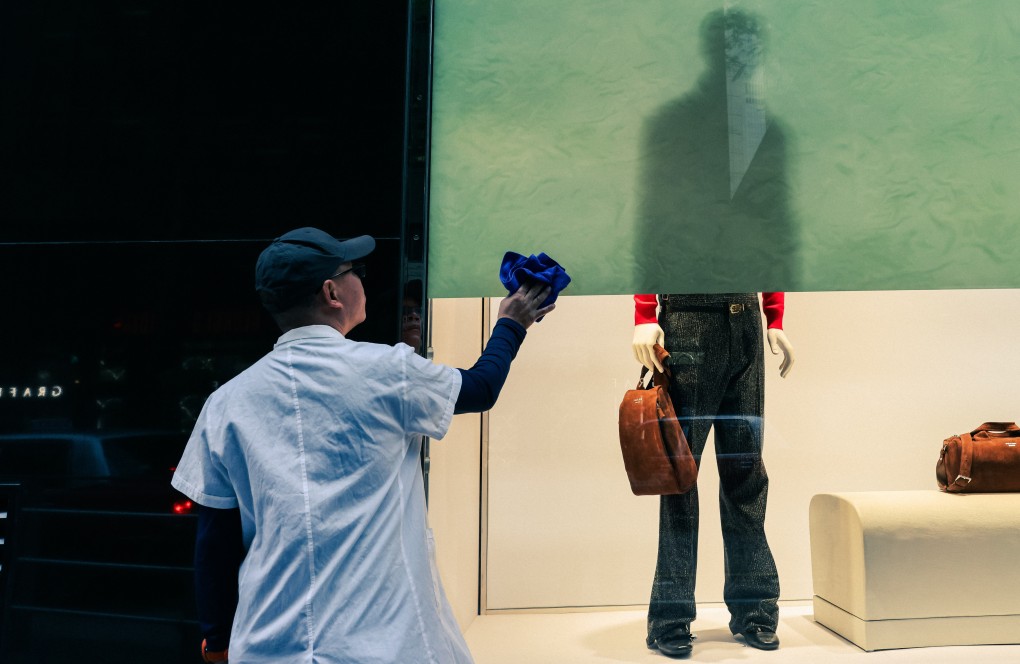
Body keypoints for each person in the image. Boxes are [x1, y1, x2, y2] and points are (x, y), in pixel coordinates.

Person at [172, 227, 555, 663]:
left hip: (266, 645)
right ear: (332, 292)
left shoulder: (225, 403)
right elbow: (481, 387)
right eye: (356, 270)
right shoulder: (388, 371)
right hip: (382, 646)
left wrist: (217, 640)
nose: (363, 281)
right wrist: (512, 322)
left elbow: (214, 540)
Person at [632, 291, 793, 658]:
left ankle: (755, 611)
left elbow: (765, 243)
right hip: (689, 318)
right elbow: (653, 240)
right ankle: (670, 619)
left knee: (746, 472)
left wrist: (774, 315)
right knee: (680, 477)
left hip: (746, 319)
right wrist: (644, 313)